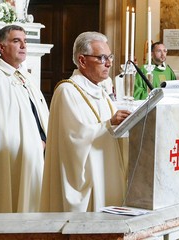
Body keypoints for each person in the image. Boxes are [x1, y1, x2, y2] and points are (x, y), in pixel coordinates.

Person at [40, 31, 131, 212]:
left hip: (106, 171)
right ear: (82, 60)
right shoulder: (67, 91)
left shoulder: (102, 93)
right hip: (88, 178)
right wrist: (108, 124)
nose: (109, 63)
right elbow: (72, 140)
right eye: (102, 58)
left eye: (109, 57)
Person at [0, 25, 49, 213]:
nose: (24, 45)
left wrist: (46, 140)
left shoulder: (27, 77)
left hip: (37, 153)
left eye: (25, 41)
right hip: (11, 158)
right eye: (16, 41)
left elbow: (37, 112)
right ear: (1, 47)